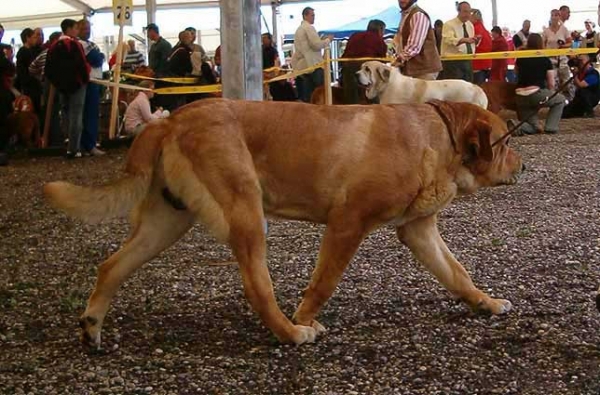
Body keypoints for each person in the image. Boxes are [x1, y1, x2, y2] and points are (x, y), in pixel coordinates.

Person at [44, 18, 90, 159]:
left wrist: (58, 83)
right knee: (76, 116)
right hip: (76, 85)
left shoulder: (53, 46)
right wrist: (84, 79)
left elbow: (48, 69)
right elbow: (82, 64)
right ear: (69, 29)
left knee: (65, 115)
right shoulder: (74, 44)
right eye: (76, 28)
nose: (78, 31)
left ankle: (68, 142)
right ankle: (74, 148)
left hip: (62, 88)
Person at [508, 33, 565, 135]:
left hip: (520, 96)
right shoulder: (545, 60)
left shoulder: (521, 58)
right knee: (560, 100)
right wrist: (549, 94)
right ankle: (551, 127)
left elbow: (516, 73)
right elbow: (551, 83)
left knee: (535, 127)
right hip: (536, 93)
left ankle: (518, 126)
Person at [291, 7, 333, 102]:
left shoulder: (299, 30)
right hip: (314, 65)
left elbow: (310, 45)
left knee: (308, 97)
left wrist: (321, 39)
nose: (314, 17)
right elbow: (316, 45)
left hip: (304, 67)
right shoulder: (309, 27)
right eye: (312, 15)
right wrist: (328, 40)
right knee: (320, 94)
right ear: (305, 16)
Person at [341, 19, 387, 104]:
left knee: (351, 102)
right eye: (383, 31)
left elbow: (344, 55)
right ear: (380, 29)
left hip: (348, 70)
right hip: (367, 73)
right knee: (372, 102)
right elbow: (382, 62)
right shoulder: (379, 40)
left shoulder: (354, 36)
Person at [394, 0, 442, 80]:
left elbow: (414, 46)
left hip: (424, 69)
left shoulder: (418, 15)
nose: (402, 0)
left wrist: (399, 59)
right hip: (414, 68)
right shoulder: (406, 14)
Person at [78, 19, 105, 156]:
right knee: (89, 114)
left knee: (90, 113)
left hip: (95, 81)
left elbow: (101, 56)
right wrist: (99, 56)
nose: (87, 31)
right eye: (84, 29)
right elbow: (97, 58)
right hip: (89, 82)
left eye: (88, 28)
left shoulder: (90, 44)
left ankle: (88, 144)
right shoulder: (81, 44)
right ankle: (89, 145)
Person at [441, 1, 477, 82]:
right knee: (455, 89)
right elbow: (448, 39)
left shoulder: (470, 25)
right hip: (453, 62)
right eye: (465, 11)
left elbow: (470, 42)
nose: (467, 14)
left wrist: (475, 40)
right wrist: (462, 40)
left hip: (468, 60)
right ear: (458, 11)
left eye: (469, 12)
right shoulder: (449, 24)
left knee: (468, 86)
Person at [543, 9, 573, 99]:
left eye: (556, 15)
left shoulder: (564, 29)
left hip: (562, 58)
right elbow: (542, 45)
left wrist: (563, 46)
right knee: (552, 83)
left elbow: (570, 42)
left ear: (559, 17)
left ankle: (570, 101)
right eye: (552, 15)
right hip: (551, 60)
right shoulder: (546, 31)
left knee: (566, 81)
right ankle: (554, 101)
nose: (554, 17)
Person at [562, 54, 600, 118]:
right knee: (565, 112)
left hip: (592, 98)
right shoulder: (581, 72)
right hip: (579, 98)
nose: (579, 63)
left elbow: (580, 85)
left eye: (581, 61)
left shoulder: (593, 73)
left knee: (582, 91)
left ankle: (589, 112)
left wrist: (575, 75)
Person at [262, 33, 296, 101]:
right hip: (263, 75)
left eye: (265, 38)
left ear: (269, 39)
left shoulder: (273, 50)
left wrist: (273, 73)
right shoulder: (260, 50)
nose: (263, 40)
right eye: (263, 38)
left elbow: (276, 62)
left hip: (271, 75)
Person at [470, 9, 492, 84]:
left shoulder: (475, 29)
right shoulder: (484, 29)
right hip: (486, 63)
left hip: (477, 64)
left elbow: (473, 45)